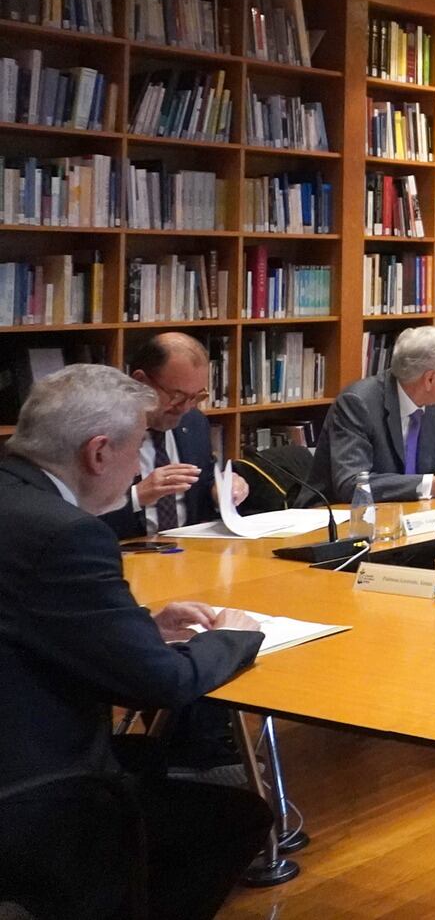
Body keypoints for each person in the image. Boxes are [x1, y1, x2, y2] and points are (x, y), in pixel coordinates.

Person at [0, 365, 271, 920]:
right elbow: (164, 683)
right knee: (234, 818)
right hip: (27, 788)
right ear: (99, 453)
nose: (137, 470)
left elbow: (30, 617)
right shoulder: (67, 534)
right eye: (138, 450)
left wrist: (141, 626)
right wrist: (235, 638)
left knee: (148, 759)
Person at [100, 332, 247, 539]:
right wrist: (137, 496)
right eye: (177, 396)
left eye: (196, 397)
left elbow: (201, 488)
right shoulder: (102, 433)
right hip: (124, 553)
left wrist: (221, 491)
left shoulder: (194, 423)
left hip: (188, 552)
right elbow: (74, 513)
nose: (185, 408)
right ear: (140, 381)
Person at [314, 325, 435, 503]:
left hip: (413, 513)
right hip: (342, 516)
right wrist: (432, 484)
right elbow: (351, 484)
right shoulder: (357, 403)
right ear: (429, 379)